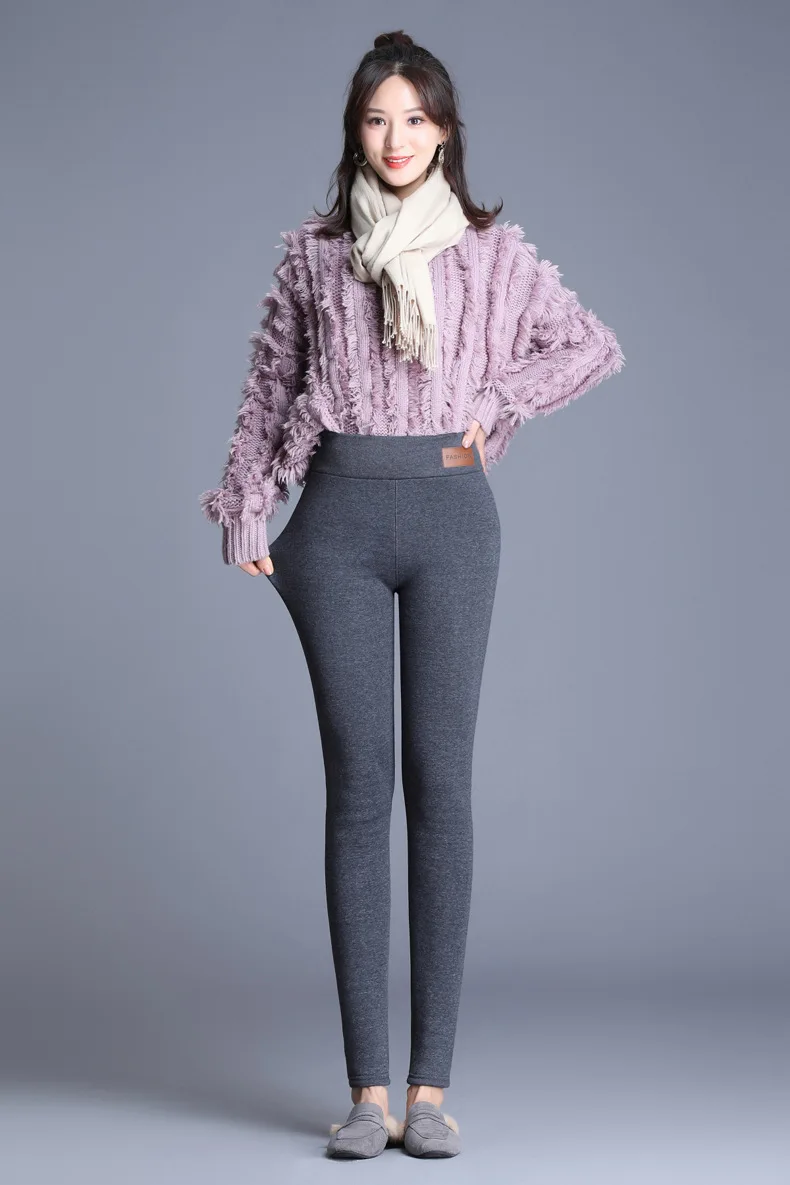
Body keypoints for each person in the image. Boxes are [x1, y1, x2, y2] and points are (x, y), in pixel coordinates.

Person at [199, 29, 625, 1159]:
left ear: (445, 131)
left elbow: (587, 344)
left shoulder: (491, 254)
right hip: (335, 522)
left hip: (452, 523)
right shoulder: (314, 257)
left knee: (442, 786)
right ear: (355, 130)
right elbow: (270, 388)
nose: (396, 138)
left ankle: (430, 1089)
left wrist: (501, 401)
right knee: (357, 791)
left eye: (416, 118)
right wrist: (249, 501)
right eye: (377, 118)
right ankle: (366, 1093)